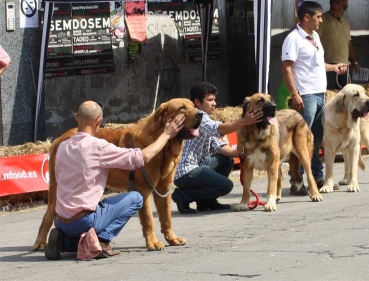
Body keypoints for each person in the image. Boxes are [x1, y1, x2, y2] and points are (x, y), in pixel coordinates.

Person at [47, 101, 186, 260]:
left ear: (76, 118)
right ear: (99, 121)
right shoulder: (98, 146)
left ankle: (64, 241)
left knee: (94, 209)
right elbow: (142, 157)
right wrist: (166, 134)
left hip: (61, 221)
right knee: (136, 198)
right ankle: (101, 241)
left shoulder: (63, 146)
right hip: (84, 220)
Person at [281, 0, 347, 194]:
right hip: (306, 94)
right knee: (301, 138)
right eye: (318, 17)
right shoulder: (293, 39)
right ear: (306, 17)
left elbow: (317, 64)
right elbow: (286, 67)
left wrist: (333, 67)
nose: (321, 20)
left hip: (319, 93)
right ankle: (297, 180)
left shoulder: (314, 36)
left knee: (316, 138)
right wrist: (295, 94)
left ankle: (316, 176)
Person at [172, 83, 263, 214]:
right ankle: (183, 195)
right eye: (209, 100)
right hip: (186, 172)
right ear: (197, 102)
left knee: (227, 160)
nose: (214, 103)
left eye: (214, 99)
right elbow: (217, 129)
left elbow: (221, 148)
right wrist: (243, 122)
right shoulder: (198, 116)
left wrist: (244, 149)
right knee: (226, 185)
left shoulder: (206, 119)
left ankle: (206, 202)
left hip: (197, 166)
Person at [317, 0, 359, 90]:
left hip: (345, 68)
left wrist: (354, 61)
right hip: (329, 68)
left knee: (346, 100)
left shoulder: (345, 23)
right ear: (335, 5)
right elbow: (314, 42)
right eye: (344, 7)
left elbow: (348, 43)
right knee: (330, 99)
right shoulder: (322, 21)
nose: (345, 10)